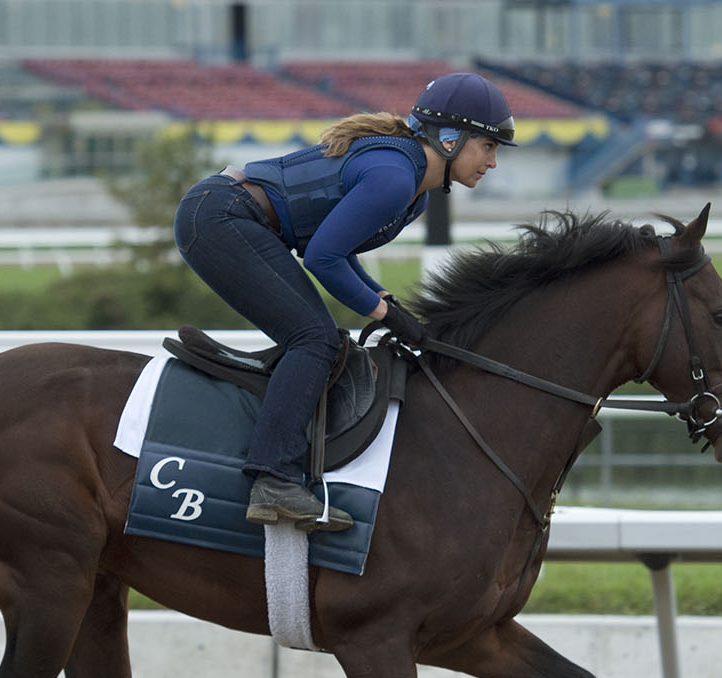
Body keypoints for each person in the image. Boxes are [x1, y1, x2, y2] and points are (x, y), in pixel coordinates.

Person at [173, 71, 516, 532]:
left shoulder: (414, 190)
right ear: (451, 139)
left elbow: (339, 247)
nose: (492, 162)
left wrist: (385, 301)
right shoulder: (395, 178)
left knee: (320, 338)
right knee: (314, 339)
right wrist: (384, 313)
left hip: (236, 217)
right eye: (488, 146)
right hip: (221, 216)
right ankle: (272, 478)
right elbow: (322, 257)